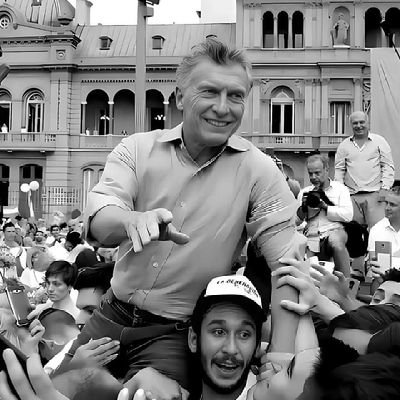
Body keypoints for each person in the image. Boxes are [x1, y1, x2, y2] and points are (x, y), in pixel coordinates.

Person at [78, 38, 302, 391]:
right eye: (210, 92)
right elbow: (101, 221)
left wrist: (281, 357)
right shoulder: (137, 149)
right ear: (181, 97)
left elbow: (289, 268)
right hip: (109, 314)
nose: (223, 108)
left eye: (236, 96)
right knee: (52, 385)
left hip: (176, 335)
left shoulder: (260, 172)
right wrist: (131, 221)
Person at [335, 111, 394, 229]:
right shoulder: (343, 145)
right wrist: (340, 192)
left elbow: (387, 166)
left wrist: (385, 188)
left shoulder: (379, 141)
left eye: (362, 122)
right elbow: (339, 170)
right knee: (354, 234)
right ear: (351, 125)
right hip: (351, 196)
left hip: (376, 195)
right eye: (355, 123)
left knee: (378, 232)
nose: (359, 126)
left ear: (368, 123)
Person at [297, 154, 353, 276]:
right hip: (311, 234)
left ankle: (346, 283)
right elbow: (296, 222)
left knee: (336, 242)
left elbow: (348, 215)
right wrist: (303, 208)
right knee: (299, 248)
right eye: (310, 174)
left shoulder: (340, 189)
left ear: (327, 169)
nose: (314, 177)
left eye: (317, 173)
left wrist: (325, 207)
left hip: (334, 229)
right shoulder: (304, 192)